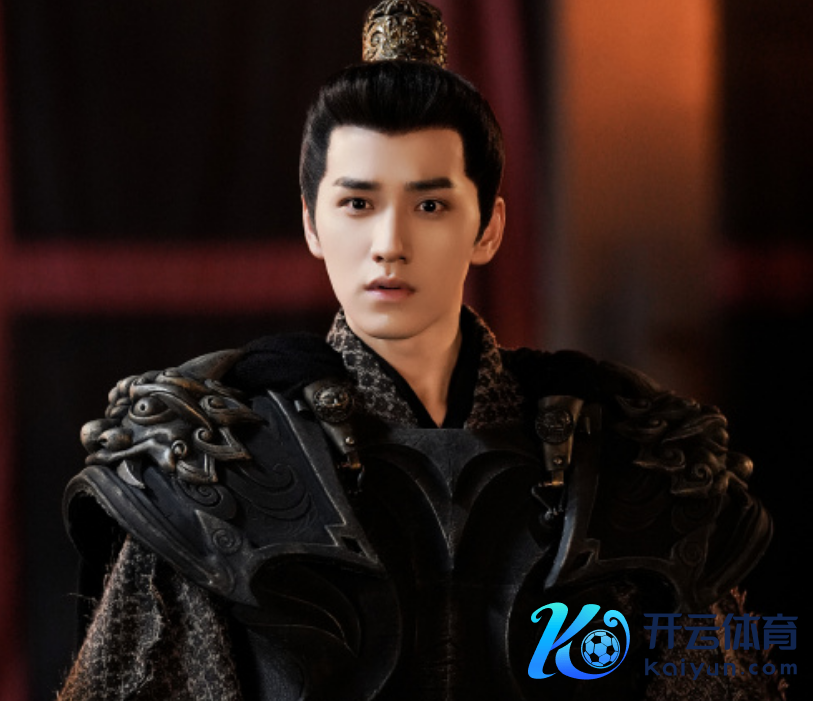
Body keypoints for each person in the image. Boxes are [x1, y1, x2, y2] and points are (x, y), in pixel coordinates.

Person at [59, 2, 779, 699]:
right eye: (357, 203)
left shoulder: (627, 464)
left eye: (430, 205)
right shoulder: (209, 466)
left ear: (488, 228)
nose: (389, 244)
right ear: (311, 224)